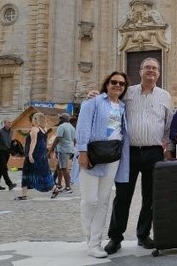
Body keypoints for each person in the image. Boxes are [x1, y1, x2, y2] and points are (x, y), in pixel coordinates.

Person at [104, 58, 173, 255]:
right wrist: (94, 96)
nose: (151, 71)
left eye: (155, 68)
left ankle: (143, 234)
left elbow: (168, 125)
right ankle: (115, 237)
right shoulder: (128, 92)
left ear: (159, 73)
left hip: (154, 152)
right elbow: (110, 104)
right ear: (140, 71)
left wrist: (168, 148)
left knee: (150, 196)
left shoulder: (165, 96)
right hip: (129, 151)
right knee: (122, 195)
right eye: (147, 68)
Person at [73, 71, 131, 258]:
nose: (117, 86)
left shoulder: (122, 106)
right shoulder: (93, 102)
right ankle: (89, 235)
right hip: (92, 156)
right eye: (114, 82)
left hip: (113, 157)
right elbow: (82, 127)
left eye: (121, 84)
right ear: (106, 84)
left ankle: (95, 243)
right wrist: (82, 152)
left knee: (103, 201)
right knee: (90, 200)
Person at [16, 112, 59, 200]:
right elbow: (43, 143)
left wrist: (30, 154)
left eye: (33, 118)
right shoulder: (44, 129)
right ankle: (54, 188)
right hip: (41, 154)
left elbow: (33, 142)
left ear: (36, 119)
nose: (32, 120)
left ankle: (25, 195)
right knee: (43, 173)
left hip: (35, 154)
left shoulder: (34, 129)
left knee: (27, 172)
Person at [49, 113, 76, 194]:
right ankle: (59, 185)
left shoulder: (61, 127)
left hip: (63, 149)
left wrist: (51, 150)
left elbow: (58, 138)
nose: (59, 120)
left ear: (63, 119)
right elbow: (74, 140)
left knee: (64, 168)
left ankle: (68, 187)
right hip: (70, 149)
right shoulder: (72, 127)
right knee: (59, 167)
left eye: (60, 118)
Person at [0, 118, 16, 191]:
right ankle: (9, 184)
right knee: (4, 168)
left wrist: (13, 144)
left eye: (11, 122)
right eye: (8, 122)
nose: (10, 124)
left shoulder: (11, 131)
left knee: (1, 169)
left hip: (7, 152)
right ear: (4, 123)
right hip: (0, 151)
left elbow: (10, 141)